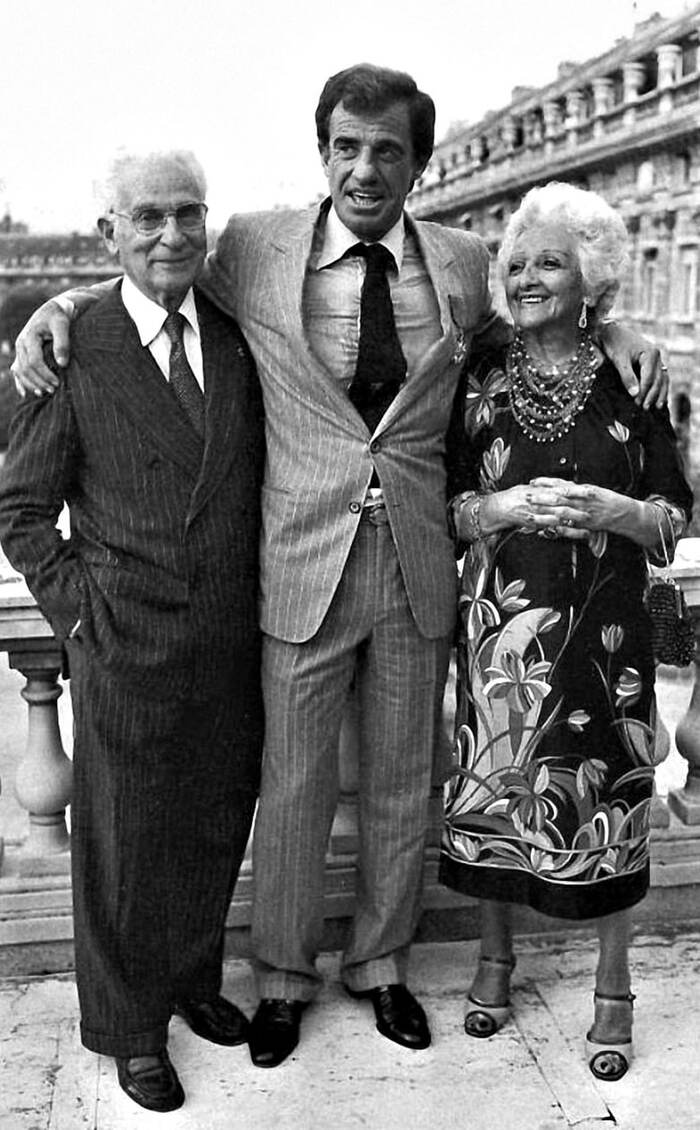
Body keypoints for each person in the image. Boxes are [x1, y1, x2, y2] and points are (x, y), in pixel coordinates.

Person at [11, 65, 668, 1070]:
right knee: (293, 782)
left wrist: (617, 323)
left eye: (388, 151)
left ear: (418, 164)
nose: (366, 169)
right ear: (321, 154)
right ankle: (280, 977)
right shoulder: (255, 248)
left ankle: (380, 965)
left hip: (415, 557)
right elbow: (156, 263)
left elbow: (543, 311)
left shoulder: (459, 261)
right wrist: (65, 302)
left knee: (408, 781)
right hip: (294, 563)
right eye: (347, 147)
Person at [0, 150, 265, 1112]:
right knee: (118, 843)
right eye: (147, 217)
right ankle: (128, 1028)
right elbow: (22, 509)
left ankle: (192, 981)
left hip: (232, 636)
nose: (171, 235)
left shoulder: (236, 337)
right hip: (121, 640)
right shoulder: (72, 346)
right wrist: (79, 615)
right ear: (110, 232)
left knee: (210, 821)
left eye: (188, 213)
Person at [442, 181, 692, 1082]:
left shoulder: (634, 378)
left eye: (549, 261)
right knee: (501, 795)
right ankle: (494, 963)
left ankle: (614, 993)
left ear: (594, 280)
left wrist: (619, 510)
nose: (526, 277)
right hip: (501, 629)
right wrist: (500, 505)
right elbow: (446, 505)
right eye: (516, 263)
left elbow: (673, 515)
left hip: (609, 639)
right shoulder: (480, 373)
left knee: (610, 803)